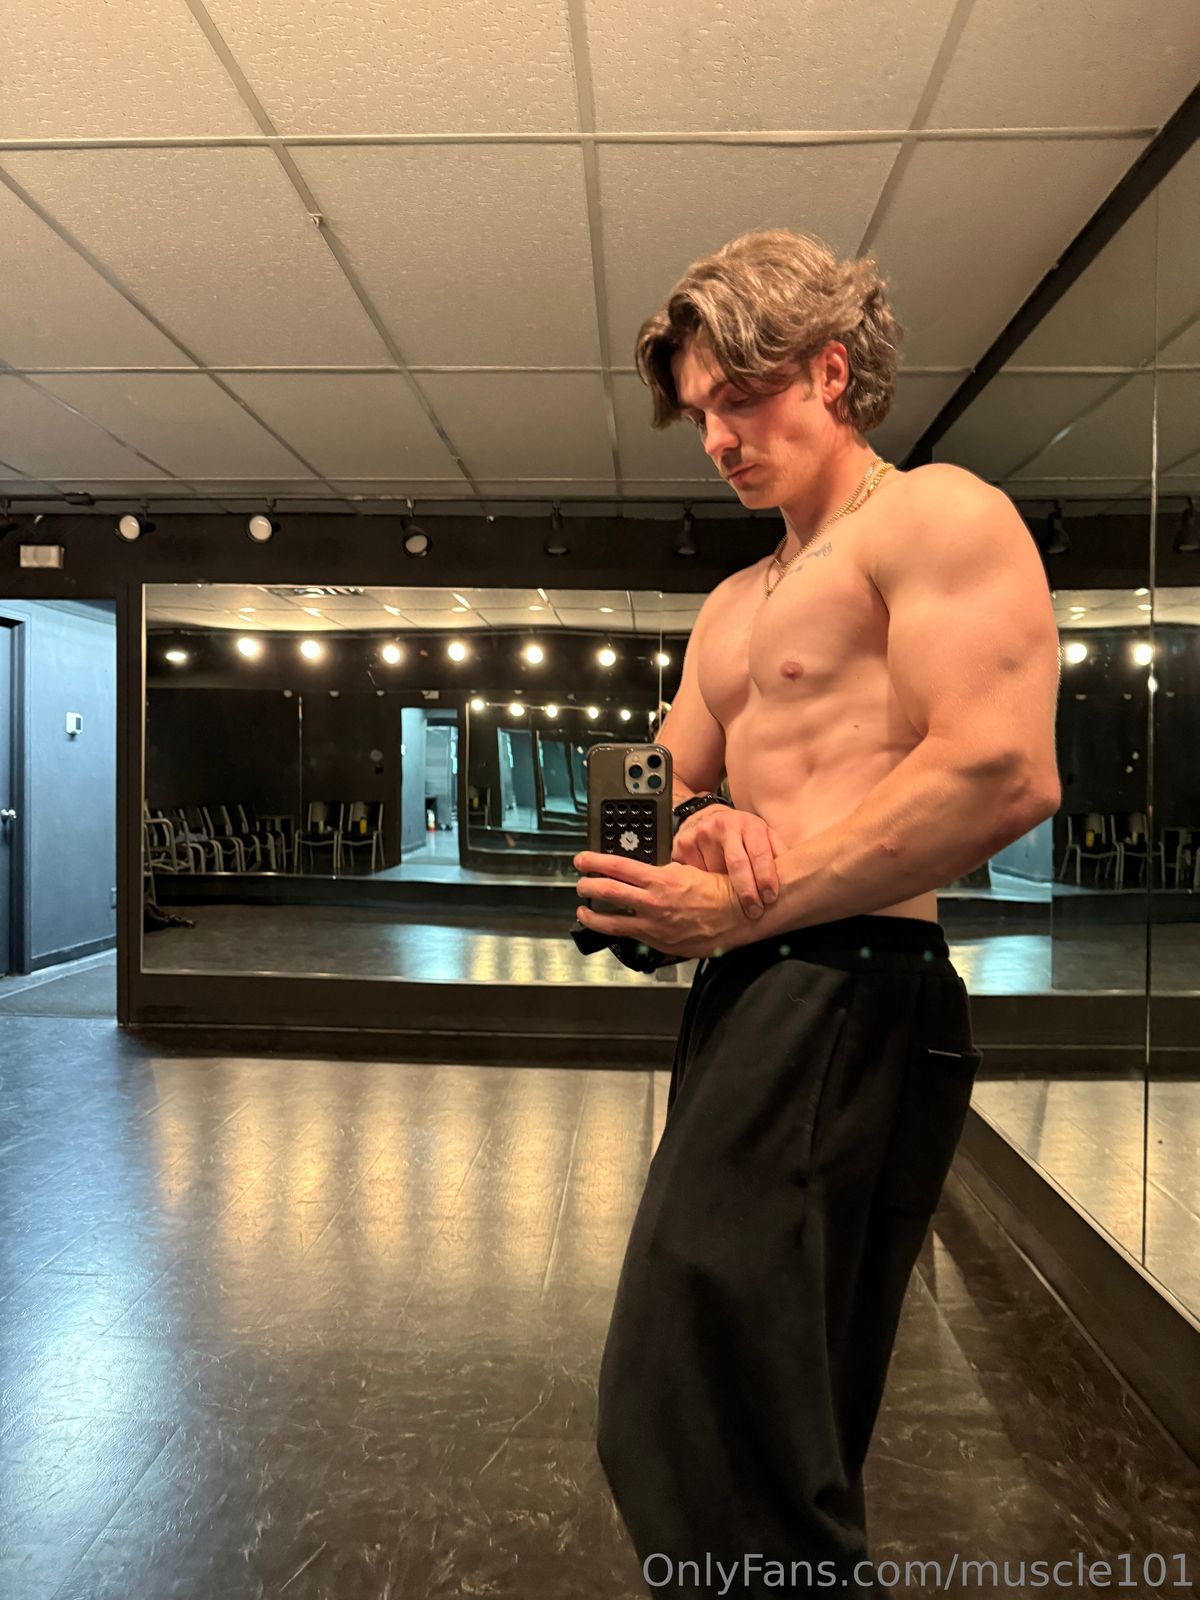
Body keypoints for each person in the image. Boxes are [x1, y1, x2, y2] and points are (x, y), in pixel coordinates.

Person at [574, 230, 1062, 1597]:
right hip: (750, 993)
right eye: (700, 413)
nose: (718, 440)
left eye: (742, 399)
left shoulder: (935, 519)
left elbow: (1004, 769)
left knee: (684, 1387)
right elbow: (647, 794)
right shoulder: (734, 604)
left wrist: (744, 906)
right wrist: (693, 820)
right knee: (780, 1413)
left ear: (831, 372)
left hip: (857, 985)